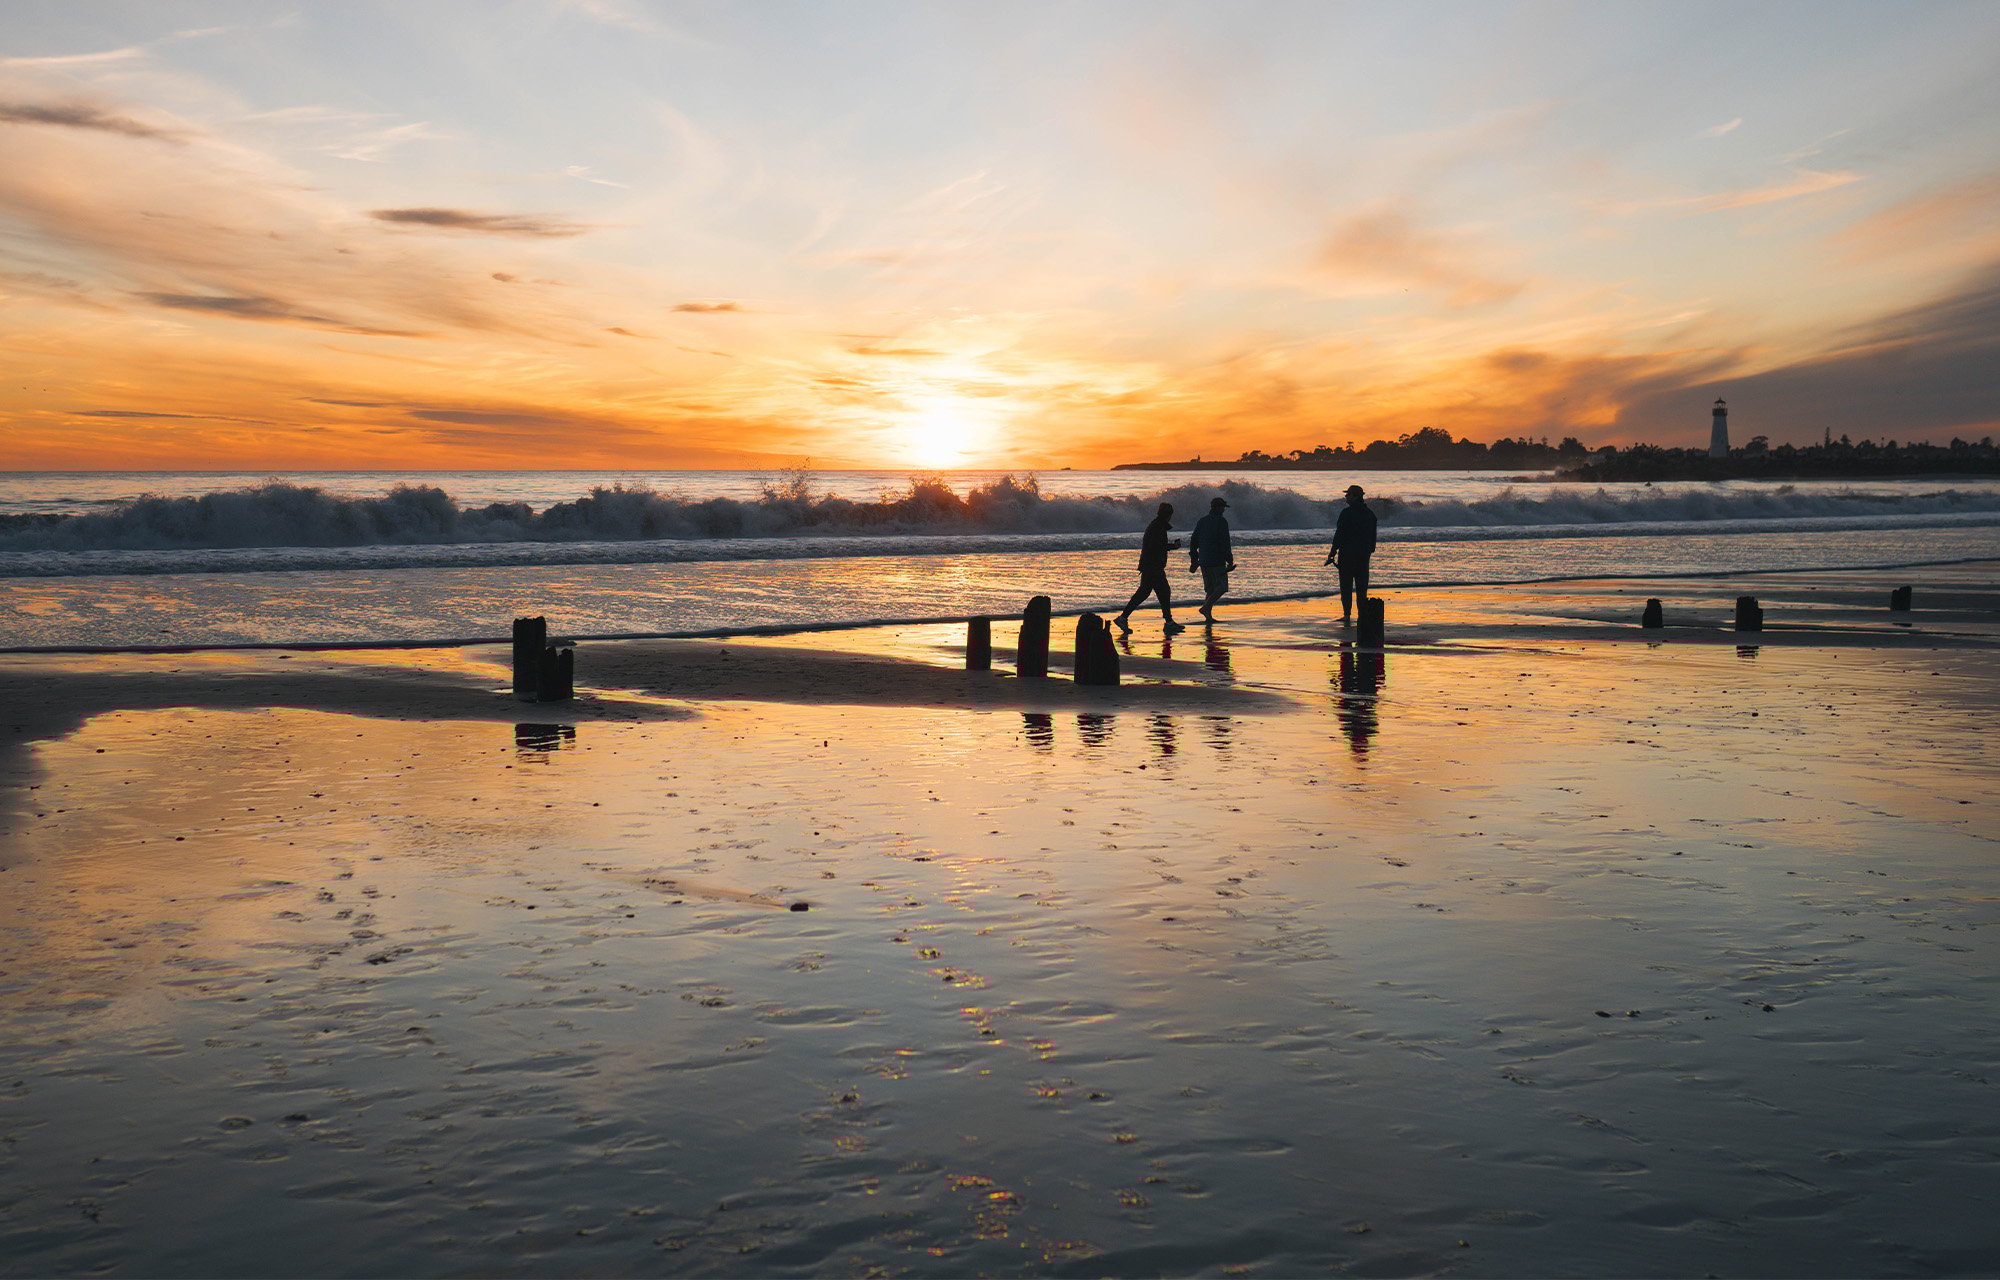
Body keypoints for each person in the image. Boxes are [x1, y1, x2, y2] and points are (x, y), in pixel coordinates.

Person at [1114, 503, 1186, 633]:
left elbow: (1156, 545)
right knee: (1163, 591)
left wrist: (1169, 546)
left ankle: (1123, 617)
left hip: (1149, 565)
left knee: (1146, 593)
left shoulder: (1156, 525)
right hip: (1153, 566)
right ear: (1168, 515)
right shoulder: (1158, 527)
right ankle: (1168, 622)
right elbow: (1156, 546)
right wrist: (1172, 547)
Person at [1323, 483, 1377, 622]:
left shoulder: (1346, 513)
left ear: (1355, 497)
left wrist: (1332, 552)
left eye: (1348, 494)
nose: (1346, 497)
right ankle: (1362, 616)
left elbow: (1339, 534)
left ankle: (1347, 615)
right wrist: (1368, 551)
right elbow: (1373, 539)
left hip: (1347, 554)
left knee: (1346, 587)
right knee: (1361, 587)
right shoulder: (1370, 514)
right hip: (1363, 555)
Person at [1189, 496, 1235, 622]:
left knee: (1210, 589)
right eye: (1223, 508)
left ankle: (1208, 615)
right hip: (1217, 560)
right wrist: (1229, 559)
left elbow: (1194, 540)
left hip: (1203, 560)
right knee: (1222, 587)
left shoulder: (1202, 521)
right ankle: (1206, 607)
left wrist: (1194, 557)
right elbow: (1225, 542)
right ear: (1218, 508)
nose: (1224, 510)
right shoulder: (1221, 521)